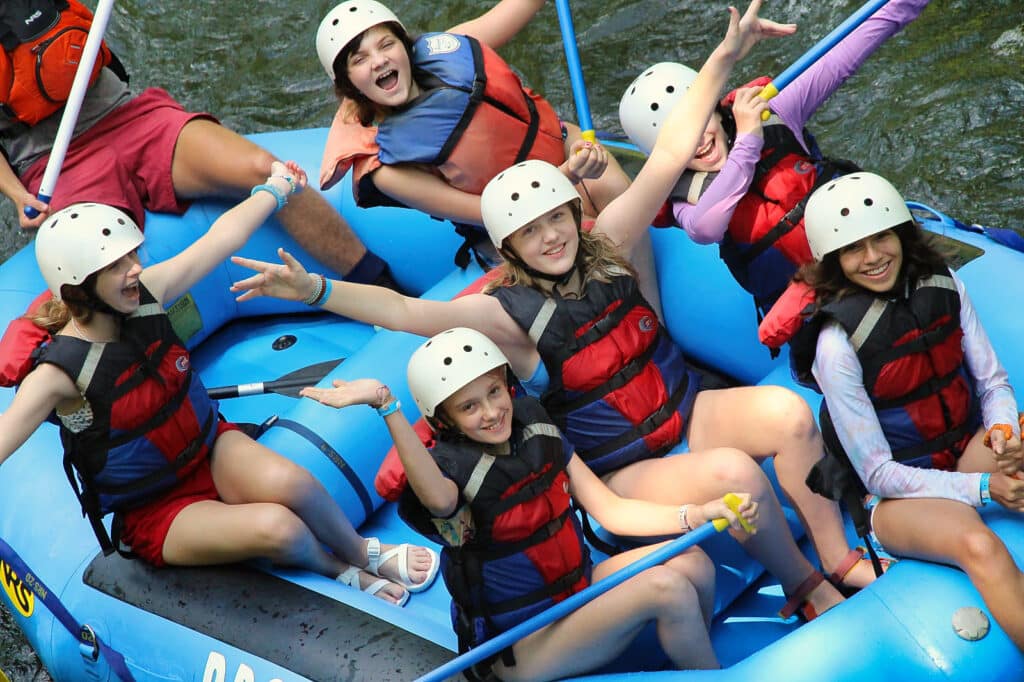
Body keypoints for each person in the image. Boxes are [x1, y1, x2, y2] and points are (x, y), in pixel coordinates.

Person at [233, 1, 851, 616]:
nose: (552, 237)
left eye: (558, 219)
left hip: (683, 409)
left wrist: (723, 58)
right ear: (508, 246)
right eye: (532, 231)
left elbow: (666, 159)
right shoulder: (505, 315)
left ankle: (839, 558)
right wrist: (314, 289)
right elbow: (402, 312)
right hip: (623, 469)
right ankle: (807, 588)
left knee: (790, 415)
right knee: (737, 475)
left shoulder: (603, 241)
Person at [0, 163, 438, 606]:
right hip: (154, 509)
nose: (134, 269)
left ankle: (360, 551)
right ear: (78, 290)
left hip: (210, 449)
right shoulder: (58, 375)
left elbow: (220, 238)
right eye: (117, 266)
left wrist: (276, 189)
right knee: (278, 528)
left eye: (132, 256)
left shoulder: (147, 294)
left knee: (296, 484)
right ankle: (337, 569)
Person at [303, 326, 761, 678]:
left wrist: (699, 514)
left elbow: (609, 509)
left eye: (494, 392)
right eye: (469, 407)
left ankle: (687, 666)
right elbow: (440, 500)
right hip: (522, 643)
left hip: (578, 590)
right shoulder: (449, 474)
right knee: (669, 587)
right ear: (444, 419)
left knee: (694, 564)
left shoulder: (534, 427)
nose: (491, 412)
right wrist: (387, 407)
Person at [765, 171, 1024, 649]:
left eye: (881, 237)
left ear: (900, 231)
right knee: (979, 545)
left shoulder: (942, 284)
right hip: (895, 501)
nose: (872, 258)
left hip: (961, 453)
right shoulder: (836, 345)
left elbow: (992, 384)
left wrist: (1004, 432)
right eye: (852, 249)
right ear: (833, 260)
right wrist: (986, 488)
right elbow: (879, 473)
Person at [0, 0, 395, 288]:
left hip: (131, 117)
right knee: (96, 268)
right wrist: (19, 196)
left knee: (265, 170)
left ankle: (380, 287)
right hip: (52, 159)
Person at [618, 0, 930, 322]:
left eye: (698, 123)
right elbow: (705, 228)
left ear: (714, 108)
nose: (697, 141)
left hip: (870, 252)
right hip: (817, 307)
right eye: (680, 138)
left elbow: (846, 54)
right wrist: (747, 141)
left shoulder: (773, 112)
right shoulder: (682, 198)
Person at [315, 0, 631, 270]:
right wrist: (567, 176)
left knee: (627, 214)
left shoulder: (450, 50)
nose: (379, 60)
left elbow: (517, 7)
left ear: (406, 47)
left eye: (386, 45)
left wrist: (578, 153)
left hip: (569, 154)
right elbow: (491, 212)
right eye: (360, 59)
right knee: (606, 248)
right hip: (521, 226)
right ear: (347, 84)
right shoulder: (385, 166)